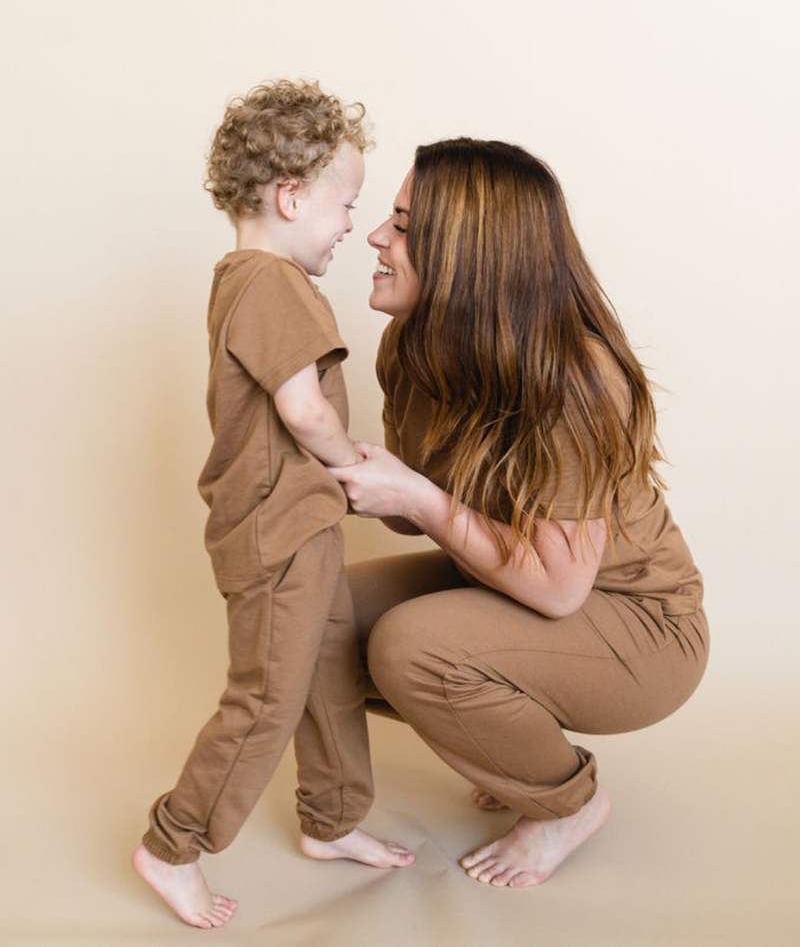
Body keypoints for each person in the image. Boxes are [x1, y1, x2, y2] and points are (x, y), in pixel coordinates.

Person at [329, 138, 708, 889]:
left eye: (403, 224)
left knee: (414, 647)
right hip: (514, 582)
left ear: (467, 252)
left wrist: (418, 496)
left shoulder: (574, 381)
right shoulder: (412, 346)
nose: (375, 236)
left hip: (639, 621)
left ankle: (565, 804)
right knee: (314, 612)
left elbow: (561, 588)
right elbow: (417, 518)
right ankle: (509, 751)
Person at [132, 80, 413, 931]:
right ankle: (172, 844)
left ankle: (331, 821)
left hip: (308, 525)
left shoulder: (252, 279)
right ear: (291, 198)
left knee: (329, 671)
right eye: (346, 205)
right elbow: (300, 407)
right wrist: (352, 461)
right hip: (276, 532)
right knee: (265, 694)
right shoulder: (269, 280)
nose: (351, 228)